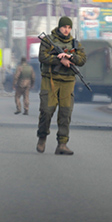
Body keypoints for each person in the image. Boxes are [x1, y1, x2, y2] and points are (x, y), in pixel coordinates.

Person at [37, 16, 86, 155]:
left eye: (69, 27)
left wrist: (71, 58)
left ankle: (62, 144)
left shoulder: (75, 43)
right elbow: (42, 57)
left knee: (66, 113)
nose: (66, 30)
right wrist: (59, 60)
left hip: (68, 81)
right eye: (64, 27)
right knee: (46, 110)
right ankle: (42, 137)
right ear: (59, 27)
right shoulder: (48, 40)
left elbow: (82, 59)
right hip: (50, 79)